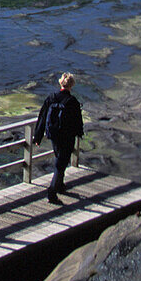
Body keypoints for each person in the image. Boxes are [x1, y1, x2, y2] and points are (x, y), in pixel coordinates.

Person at [33, 72, 84, 204]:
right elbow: (77, 121)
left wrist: (37, 136)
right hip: (67, 137)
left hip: (54, 135)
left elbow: (42, 116)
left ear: (60, 83)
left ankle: (60, 185)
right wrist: (79, 133)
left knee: (59, 160)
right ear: (71, 85)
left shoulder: (52, 97)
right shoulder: (72, 101)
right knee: (61, 164)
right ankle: (52, 191)